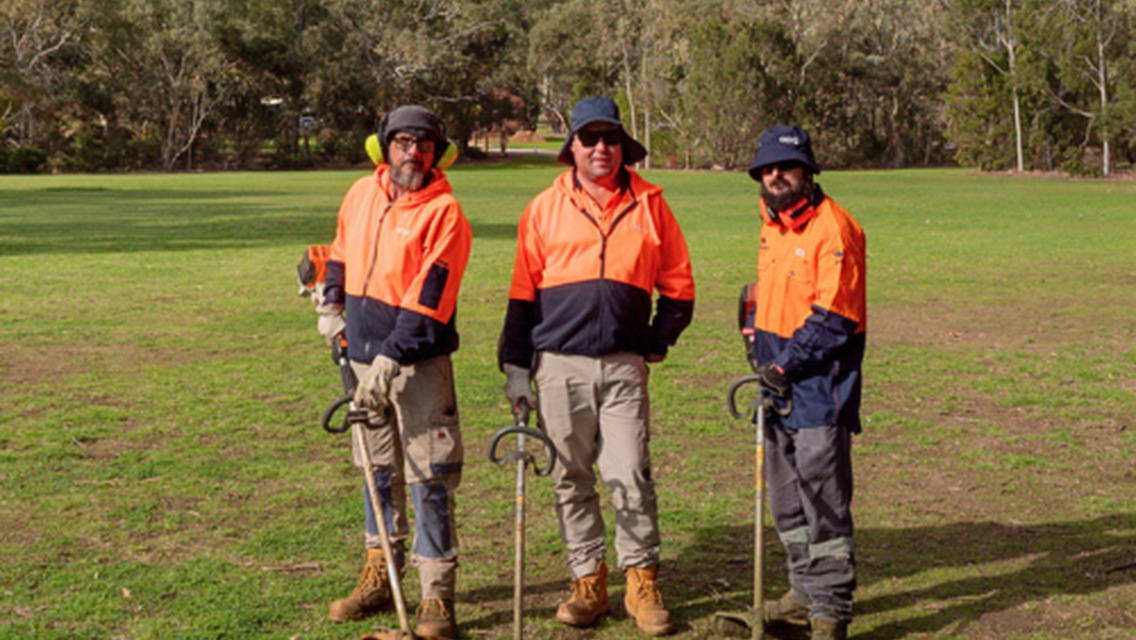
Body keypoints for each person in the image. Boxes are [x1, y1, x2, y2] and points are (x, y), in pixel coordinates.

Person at [498, 96, 695, 637]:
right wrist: (516, 366)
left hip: (624, 366)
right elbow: (522, 296)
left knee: (629, 472)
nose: (601, 149)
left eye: (611, 139)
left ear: (622, 147)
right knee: (570, 477)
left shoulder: (653, 205)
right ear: (573, 148)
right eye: (590, 139)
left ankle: (641, 580)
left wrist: (655, 342)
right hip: (558, 366)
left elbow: (679, 290)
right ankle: (588, 580)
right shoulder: (543, 208)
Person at [317, 105, 471, 639]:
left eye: (424, 144)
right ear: (384, 146)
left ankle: (435, 595)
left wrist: (390, 357)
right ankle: (380, 574)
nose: (413, 153)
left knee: (429, 476)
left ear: (437, 153)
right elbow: (337, 255)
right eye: (403, 141)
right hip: (360, 361)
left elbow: (429, 300)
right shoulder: (361, 194)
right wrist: (329, 304)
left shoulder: (445, 213)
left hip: (416, 366)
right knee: (376, 471)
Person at [742, 125, 866, 640]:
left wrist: (783, 365)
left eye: (785, 167)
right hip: (776, 384)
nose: (776, 176)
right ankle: (801, 593)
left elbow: (835, 317)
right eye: (767, 169)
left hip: (818, 387)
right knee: (786, 500)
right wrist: (756, 349)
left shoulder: (834, 228)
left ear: (808, 171)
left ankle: (830, 610)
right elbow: (764, 297)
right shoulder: (772, 225)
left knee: (823, 502)